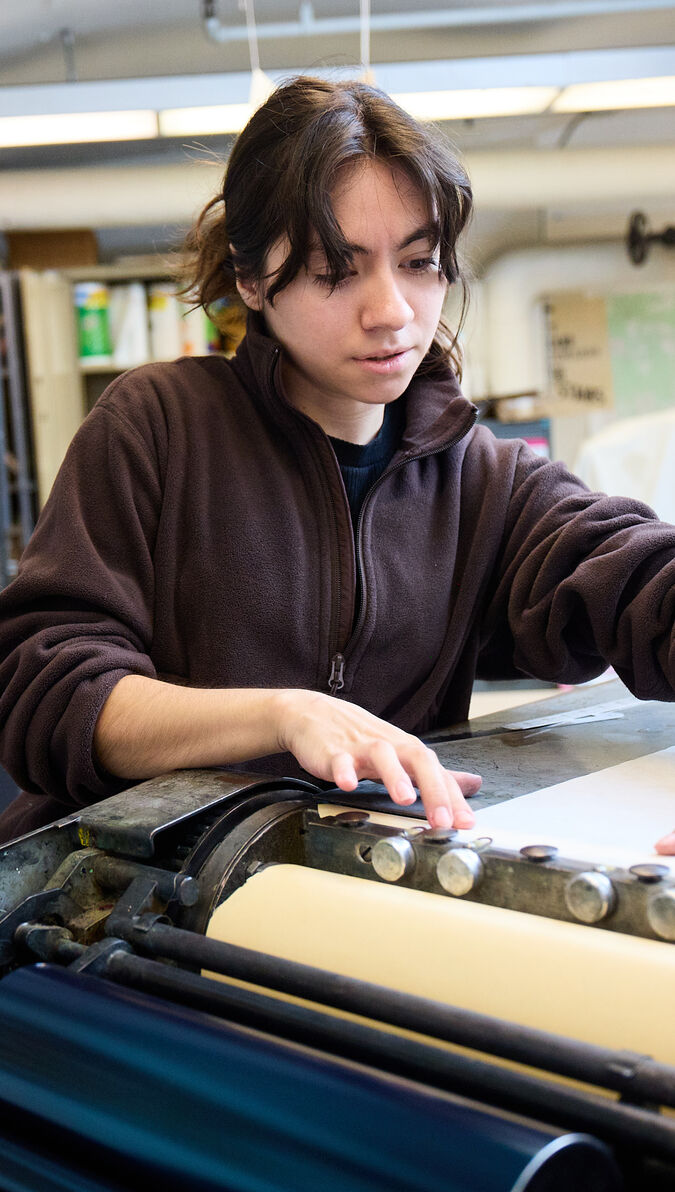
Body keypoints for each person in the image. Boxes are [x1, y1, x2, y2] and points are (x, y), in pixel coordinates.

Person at [0, 74, 674, 853]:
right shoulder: (157, 427)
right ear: (251, 280)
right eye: (335, 270)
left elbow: (644, 586)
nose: (390, 310)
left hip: (342, 896)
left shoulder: (483, 482)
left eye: (419, 262)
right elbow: (46, 691)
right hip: (115, 910)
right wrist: (282, 714)